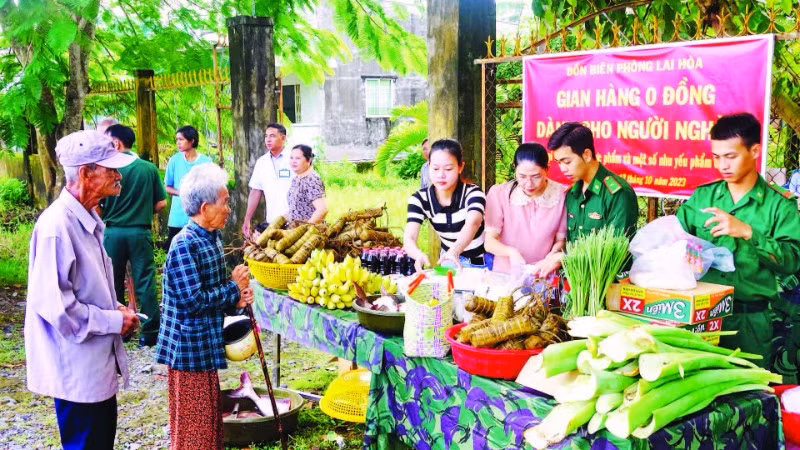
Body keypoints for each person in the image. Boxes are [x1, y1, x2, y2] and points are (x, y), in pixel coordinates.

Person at [25, 130, 140, 449]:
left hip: (94, 368)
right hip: (77, 371)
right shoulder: (57, 227)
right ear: (86, 174)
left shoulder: (87, 218)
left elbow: (88, 286)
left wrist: (115, 307)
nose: (119, 176)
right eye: (111, 169)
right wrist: (113, 321)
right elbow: (58, 308)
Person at [675, 112, 800, 372]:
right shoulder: (703, 198)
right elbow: (675, 239)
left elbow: (792, 261)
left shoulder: (779, 205)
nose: (723, 165)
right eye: (717, 157)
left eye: (731, 156)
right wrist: (684, 252)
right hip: (701, 318)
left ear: (754, 151)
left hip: (750, 321)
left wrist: (748, 233)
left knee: (748, 397)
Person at [155, 163, 254, 449]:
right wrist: (232, 287)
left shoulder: (211, 238)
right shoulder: (184, 244)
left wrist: (237, 300)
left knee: (210, 420)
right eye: (224, 203)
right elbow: (193, 300)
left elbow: (215, 293)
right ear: (204, 207)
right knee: (193, 428)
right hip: (188, 348)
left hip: (205, 344)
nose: (228, 209)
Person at [532, 122, 639, 277]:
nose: (562, 169)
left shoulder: (617, 194)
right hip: (574, 283)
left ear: (587, 155)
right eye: (559, 162)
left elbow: (616, 251)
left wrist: (567, 258)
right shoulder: (572, 194)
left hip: (607, 287)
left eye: (567, 162)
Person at [100, 124, 167, 347]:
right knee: (145, 281)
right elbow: (161, 202)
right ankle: (150, 334)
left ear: (117, 143)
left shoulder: (106, 168)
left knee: (112, 281)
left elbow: (99, 205)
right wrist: (143, 210)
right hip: (140, 232)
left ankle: (120, 330)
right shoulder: (148, 169)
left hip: (113, 233)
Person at [404, 139, 486, 272]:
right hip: (449, 260)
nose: (441, 175)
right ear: (428, 166)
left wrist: (455, 251)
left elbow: (474, 222)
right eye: (435, 168)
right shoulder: (419, 199)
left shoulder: (473, 193)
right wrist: (417, 255)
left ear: (460, 167)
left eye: (448, 169)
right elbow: (410, 237)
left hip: (482, 261)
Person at [484, 143, 567, 273]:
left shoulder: (562, 195)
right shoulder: (499, 194)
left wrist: (551, 257)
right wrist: (511, 252)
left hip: (544, 273)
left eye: (536, 177)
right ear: (514, 169)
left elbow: (561, 240)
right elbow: (489, 242)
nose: (529, 184)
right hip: (506, 274)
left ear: (547, 169)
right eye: (522, 176)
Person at [164, 125, 212, 251]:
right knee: (175, 252)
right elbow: (167, 187)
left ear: (192, 141)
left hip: (200, 217)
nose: (178, 143)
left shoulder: (206, 162)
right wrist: (182, 193)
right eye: (177, 140)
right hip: (177, 218)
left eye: (181, 139)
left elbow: (212, 188)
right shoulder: (174, 161)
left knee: (200, 251)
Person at [242, 123, 294, 237]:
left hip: (294, 222)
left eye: (272, 136)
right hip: (272, 222)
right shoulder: (262, 162)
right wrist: (247, 219)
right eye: (266, 136)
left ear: (283, 138)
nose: (268, 140)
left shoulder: (294, 159)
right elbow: (256, 191)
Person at [285, 144, 328, 223]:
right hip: (295, 230)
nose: (293, 161)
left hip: (310, 232)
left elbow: (322, 209)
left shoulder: (312, 179)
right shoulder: (296, 179)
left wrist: (305, 229)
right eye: (291, 158)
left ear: (309, 160)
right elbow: (294, 209)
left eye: (298, 158)